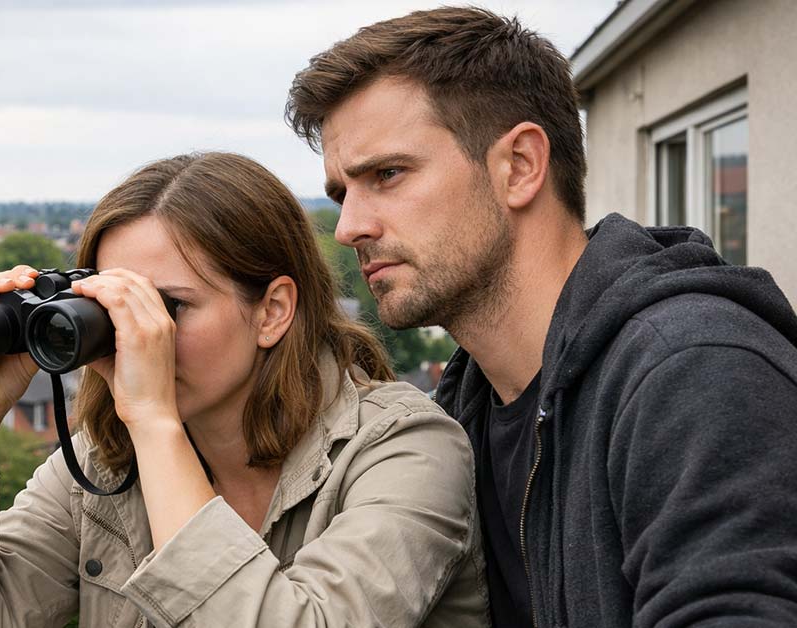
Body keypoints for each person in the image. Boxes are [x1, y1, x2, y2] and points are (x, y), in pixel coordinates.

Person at [285, 6, 797, 627]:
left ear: (520, 166)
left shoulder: (692, 371)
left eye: (387, 174)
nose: (348, 228)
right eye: (342, 193)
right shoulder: (458, 419)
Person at [0, 152, 489, 627]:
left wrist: (153, 420)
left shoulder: (407, 452)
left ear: (273, 310)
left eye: (167, 306)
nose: (139, 336)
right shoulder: (101, 466)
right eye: (114, 307)